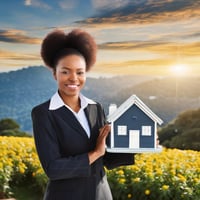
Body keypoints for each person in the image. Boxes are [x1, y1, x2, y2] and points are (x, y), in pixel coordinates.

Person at [31, 29, 134, 200]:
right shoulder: (43, 113)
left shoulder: (96, 108)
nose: (73, 78)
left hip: (101, 194)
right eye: (65, 71)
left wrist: (139, 145)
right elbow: (53, 169)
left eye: (80, 72)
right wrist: (94, 154)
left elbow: (107, 157)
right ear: (54, 73)